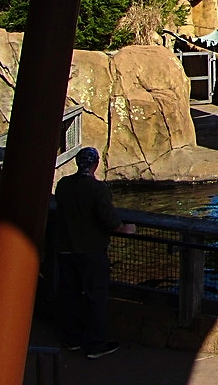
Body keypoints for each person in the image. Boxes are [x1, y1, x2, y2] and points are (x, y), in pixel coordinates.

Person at [54, 147, 135, 359]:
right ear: (95, 164)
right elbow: (108, 219)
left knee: (70, 295)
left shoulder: (63, 185)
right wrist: (125, 228)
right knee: (95, 297)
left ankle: (71, 338)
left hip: (65, 249)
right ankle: (95, 343)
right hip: (91, 251)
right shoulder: (97, 189)